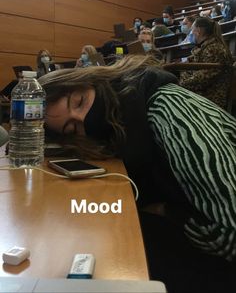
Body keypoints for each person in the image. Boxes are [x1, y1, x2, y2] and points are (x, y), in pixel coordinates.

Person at [39, 56, 236, 293]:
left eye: (79, 102)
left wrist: (168, 212)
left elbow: (231, 234)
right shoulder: (123, 127)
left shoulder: (167, 109)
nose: (83, 120)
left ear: (92, 79)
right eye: (73, 128)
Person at [179, 17, 233, 109]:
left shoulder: (214, 49)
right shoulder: (205, 47)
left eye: (192, 29)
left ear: (198, 30)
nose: (191, 33)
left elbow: (201, 79)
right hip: (201, 94)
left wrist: (180, 84)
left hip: (209, 99)